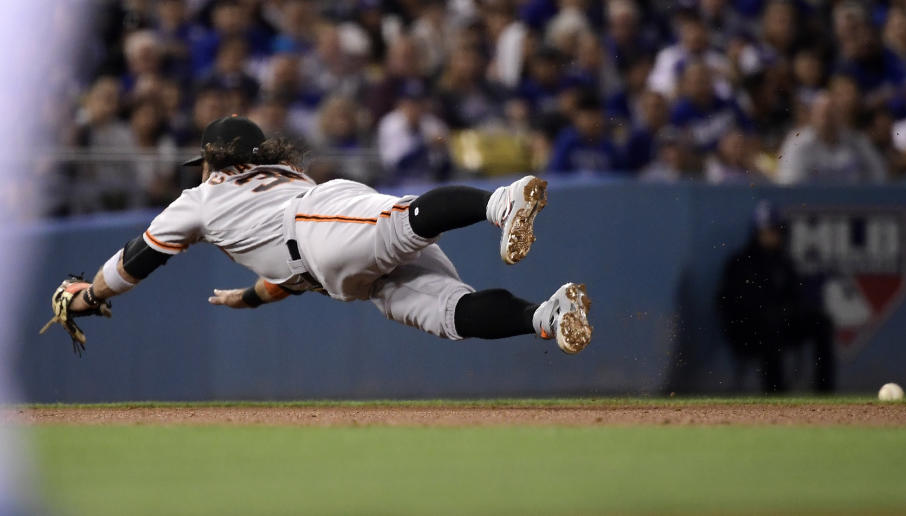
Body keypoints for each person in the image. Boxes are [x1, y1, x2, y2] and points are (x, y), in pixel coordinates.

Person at [43, 116, 592, 357]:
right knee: (451, 312)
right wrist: (252, 296)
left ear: (212, 159)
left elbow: (135, 261)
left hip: (317, 223)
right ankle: (545, 316)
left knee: (403, 221)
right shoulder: (279, 178)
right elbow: (290, 273)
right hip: (332, 264)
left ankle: (502, 202)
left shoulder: (202, 198)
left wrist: (88, 294)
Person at [716, 201, 835, 393]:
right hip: (749, 330)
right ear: (756, 232)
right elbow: (732, 303)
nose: (772, 235)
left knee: (821, 322)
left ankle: (825, 391)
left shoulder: (783, 262)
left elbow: (796, 297)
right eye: (767, 231)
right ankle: (774, 391)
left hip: (781, 323)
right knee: (769, 325)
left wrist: (789, 311)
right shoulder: (740, 262)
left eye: (775, 230)